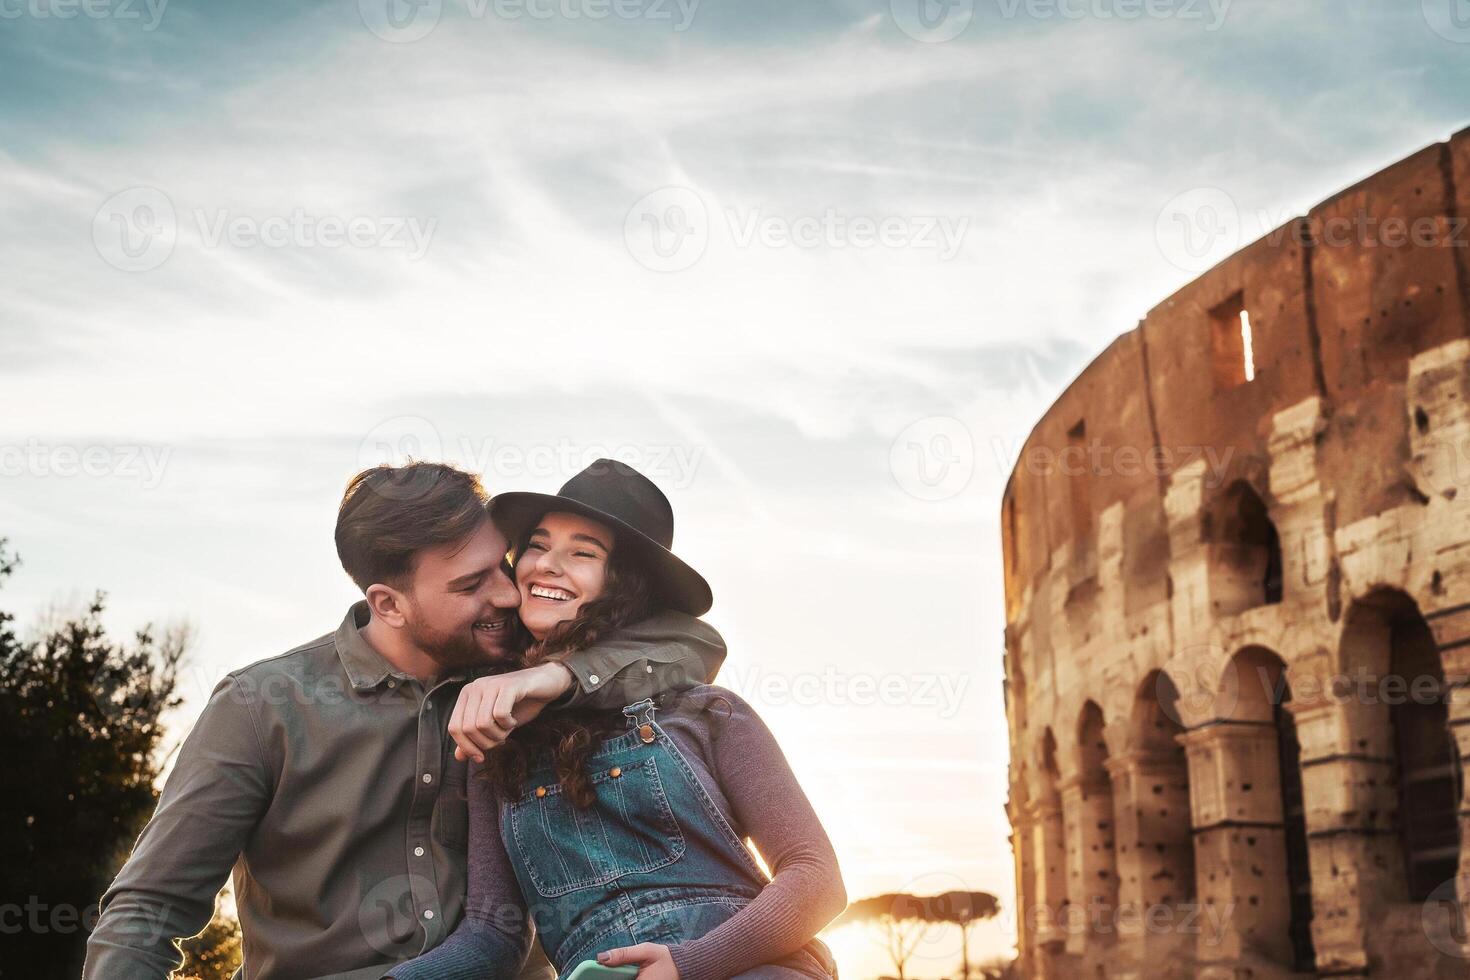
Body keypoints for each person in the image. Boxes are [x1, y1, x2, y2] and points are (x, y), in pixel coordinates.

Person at [84, 461, 725, 980]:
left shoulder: (522, 680)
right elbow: (148, 909)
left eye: (501, 566)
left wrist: (554, 677)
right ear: (388, 604)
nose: (506, 594)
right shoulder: (262, 706)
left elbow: (690, 645)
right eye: (472, 584)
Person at [386, 459, 847, 980]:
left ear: (624, 583)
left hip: (752, 966)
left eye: (582, 552)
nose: (546, 565)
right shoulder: (498, 741)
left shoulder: (708, 713)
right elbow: (494, 933)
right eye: (537, 545)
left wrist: (689, 964)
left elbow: (817, 879)